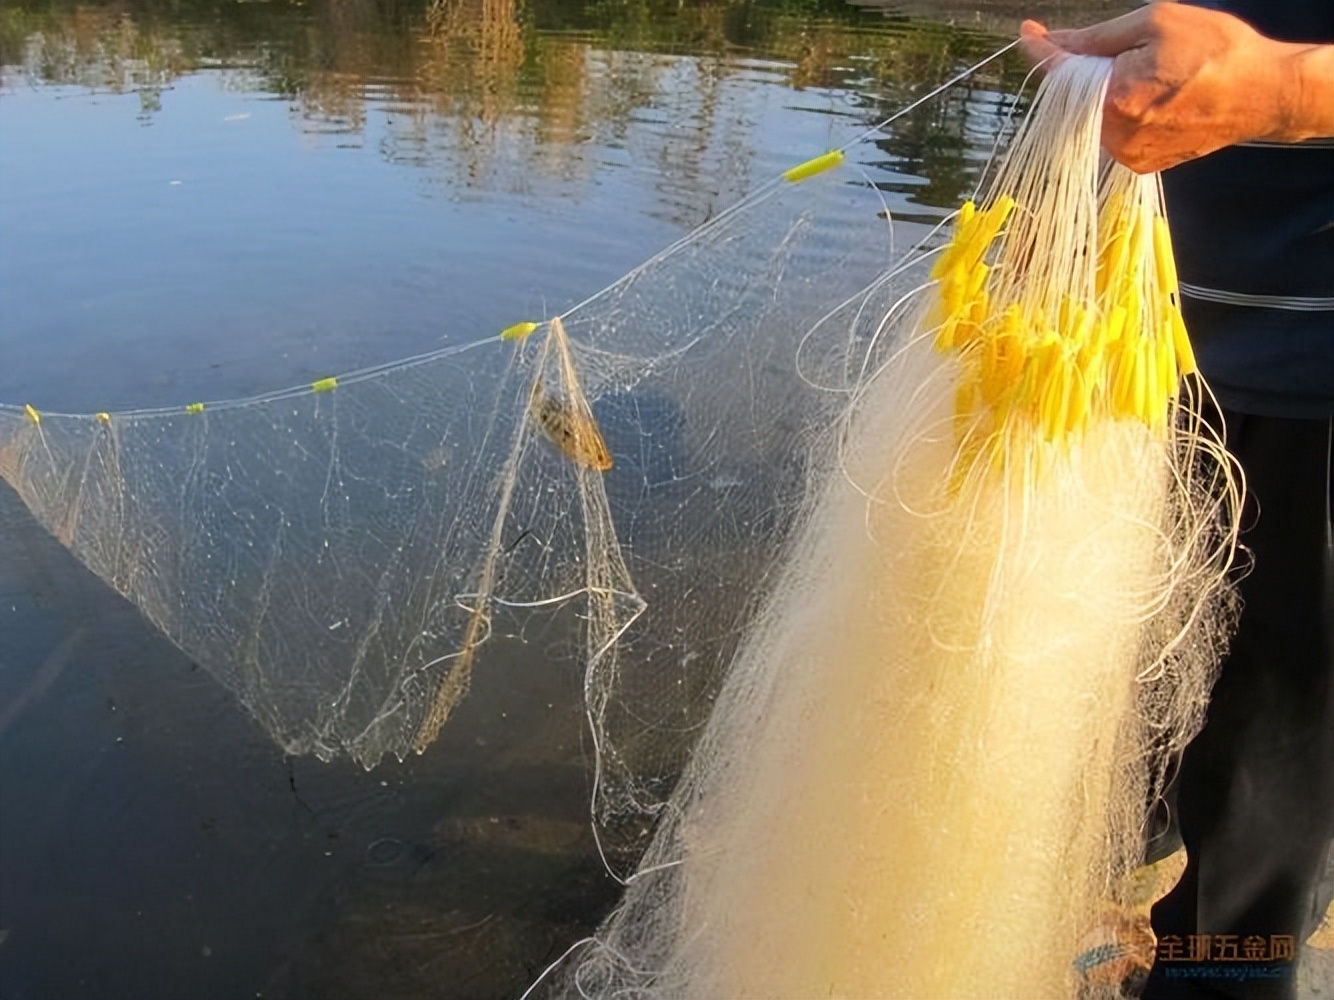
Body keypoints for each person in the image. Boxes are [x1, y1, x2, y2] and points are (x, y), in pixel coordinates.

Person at [1020, 3, 1334, 998]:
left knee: (1250, 844)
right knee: (1091, 740)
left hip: (1311, 390)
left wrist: (1285, 90)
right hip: (1127, 350)